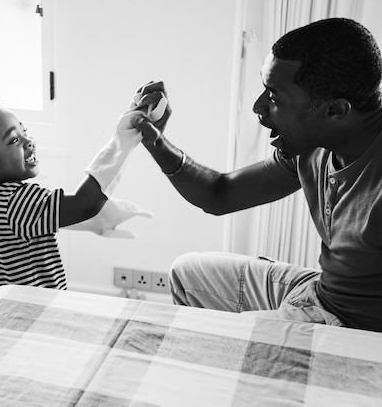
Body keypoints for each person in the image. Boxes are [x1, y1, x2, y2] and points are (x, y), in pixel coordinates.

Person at [130, 18, 382, 333]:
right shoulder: (313, 148)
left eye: (274, 98)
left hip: (353, 325)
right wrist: (156, 142)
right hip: (320, 290)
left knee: (209, 336)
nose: (258, 107)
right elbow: (219, 194)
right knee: (187, 272)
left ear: (334, 110)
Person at [0, 86, 166, 322]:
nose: (29, 141)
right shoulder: (17, 201)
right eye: (14, 140)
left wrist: (93, 222)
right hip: (11, 317)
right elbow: (84, 202)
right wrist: (122, 140)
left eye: (24, 131)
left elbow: (37, 222)